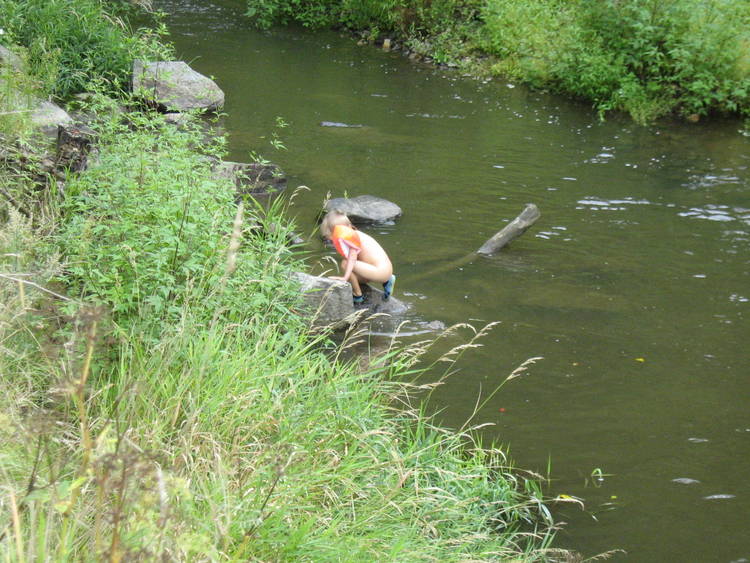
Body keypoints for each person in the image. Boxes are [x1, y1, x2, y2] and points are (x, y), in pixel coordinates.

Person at [320, 209, 396, 304]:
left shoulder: (349, 238)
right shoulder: (356, 234)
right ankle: (387, 281)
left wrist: (345, 278)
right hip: (384, 269)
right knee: (351, 275)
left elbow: (352, 258)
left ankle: (357, 294)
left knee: (345, 263)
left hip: (380, 272)